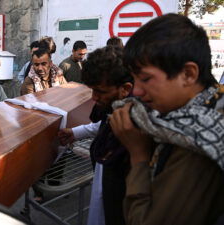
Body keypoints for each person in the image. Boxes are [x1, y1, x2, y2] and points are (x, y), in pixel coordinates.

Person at [109, 13, 224, 225]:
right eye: (134, 80)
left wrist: (138, 155)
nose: (137, 91)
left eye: (145, 79)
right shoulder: (197, 111)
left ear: (188, 74)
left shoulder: (196, 145)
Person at [58, 46, 133, 225]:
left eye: (100, 91)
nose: (94, 97)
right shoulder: (116, 108)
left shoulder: (134, 129)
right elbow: (104, 124)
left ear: (125, 89)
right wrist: (76, 133)